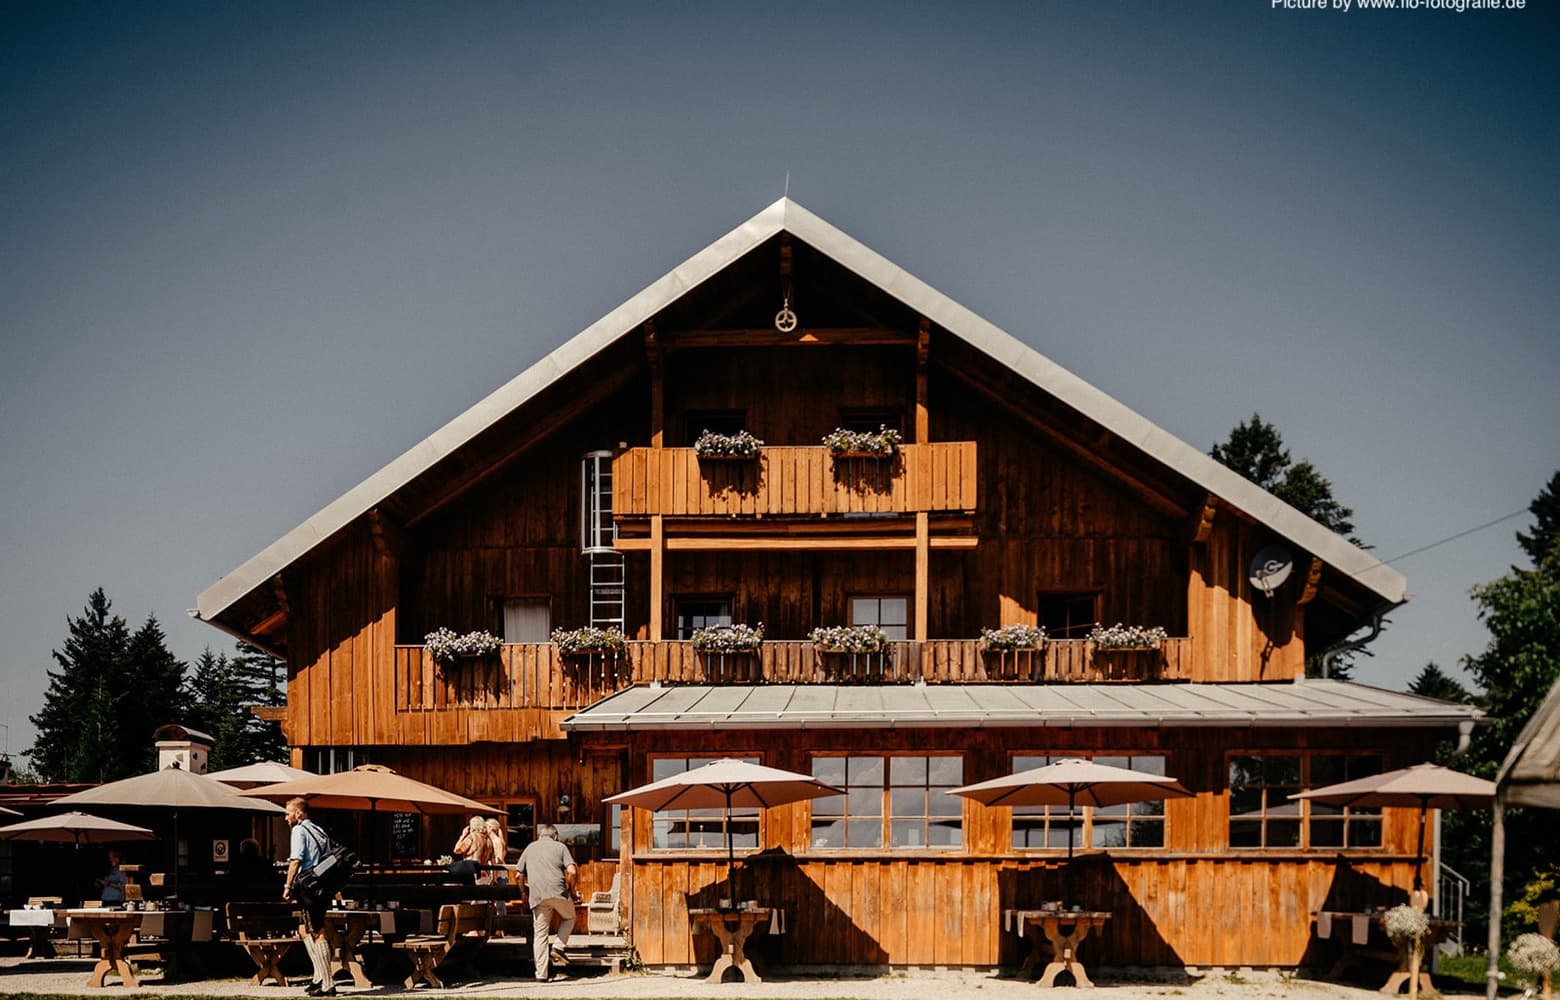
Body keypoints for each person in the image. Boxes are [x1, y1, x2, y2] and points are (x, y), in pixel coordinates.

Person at [283, 797, 337, 997]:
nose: (285, 818)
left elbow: (296, 860)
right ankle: (318, 976)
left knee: (317, 931)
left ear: (299, 813)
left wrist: (287, 885)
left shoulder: (299, 830)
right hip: (322, 886)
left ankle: (328, 983)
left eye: (288, 813)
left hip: (308, 888)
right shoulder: (319, 829)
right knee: (304, 929)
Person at [514, 823, 578, 982]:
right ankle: (558, 946)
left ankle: (541, 975)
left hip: (537, 896)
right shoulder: (561, 847)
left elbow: (518, 875)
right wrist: (572, 890)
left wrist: (523, 893)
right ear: (555, 836)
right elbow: (572, 871)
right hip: (559, 892)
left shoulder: (529, 848)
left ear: (539, 836)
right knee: (570, 917)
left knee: (540, 935)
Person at [447, 815, 492, 885]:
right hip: (485, 872)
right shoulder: (488, 840)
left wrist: (462, 836)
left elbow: (457, 850)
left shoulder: (472, 837)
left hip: (471, 872)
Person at [484, 818, 509, 883]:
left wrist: (495, 876)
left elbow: (499, 859)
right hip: (492, 871)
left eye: (485, 826)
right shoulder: (489, 840)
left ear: (491, 827)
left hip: (499, 873)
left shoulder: (497, 841)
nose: (484, 829)